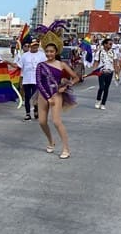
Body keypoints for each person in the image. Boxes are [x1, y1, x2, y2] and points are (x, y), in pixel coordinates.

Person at [35, 27, 78, 159]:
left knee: (56, 121)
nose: (49, 54)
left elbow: (76, 77)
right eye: (47, 51)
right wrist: (47, 97)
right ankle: (50, 141)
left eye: (51, 51)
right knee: (42, 122)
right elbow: (39, 82)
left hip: (56, 94)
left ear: (56, 52)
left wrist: (66, 86)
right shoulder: (40, 65)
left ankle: (66, 148)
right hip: (43, 95)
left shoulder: (62, 64)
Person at [16, 40, 47, 120]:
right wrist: (7, 63)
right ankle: (28, 114)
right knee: (27, 97)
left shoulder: (42, 55)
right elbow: (19, 66)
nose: (35, 47)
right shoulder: (25, 56)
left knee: (35, 98)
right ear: (30, 46)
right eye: (33, 45)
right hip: (26, 80)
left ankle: (36, 109)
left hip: (37, 80)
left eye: (36, 45)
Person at [94, 38, 118, 110]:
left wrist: (117, 74)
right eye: (110, 44)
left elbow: (115, 63)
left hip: (110, 72)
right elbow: (96, 62)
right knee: (101, 87)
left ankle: (103, 103)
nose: (111, 45)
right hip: (102, 71)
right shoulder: (99, 52)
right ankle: (98, 100)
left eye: (111, 44)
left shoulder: (113, 52)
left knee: (106, 88)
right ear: (105, 44)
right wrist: (95, 70)